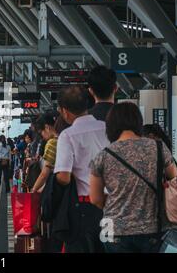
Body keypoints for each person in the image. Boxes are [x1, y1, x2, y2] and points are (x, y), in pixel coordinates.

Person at [89, 103, 177, 253]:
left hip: (113, 230)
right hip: (152, 228)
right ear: (138, 122)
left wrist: (119, 200)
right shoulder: (158, 147)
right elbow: (176, 179)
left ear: (111, 125)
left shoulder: (103, 156)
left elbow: (95, 199)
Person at [54, 86, 110, 253]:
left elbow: (63, 177)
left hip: (84, 208)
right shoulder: (107, 128)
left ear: (64, 111)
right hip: (111, 205)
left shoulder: (68, 135)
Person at [31, 112, 59, 193]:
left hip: (56, 189)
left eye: (41, 132)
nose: (42, 136)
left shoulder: (52, 143)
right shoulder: (62, 138)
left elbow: (44, 173)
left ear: (47, 127)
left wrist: (34, 189)